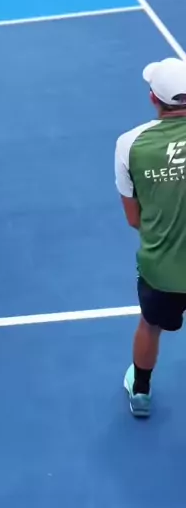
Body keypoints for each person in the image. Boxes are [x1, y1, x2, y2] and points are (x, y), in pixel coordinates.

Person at [115, 57, 186, 418]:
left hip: (161, 270)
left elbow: (133, 219)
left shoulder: (129, 144)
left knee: (150, 324)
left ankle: (140, 390)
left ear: (153, 99)